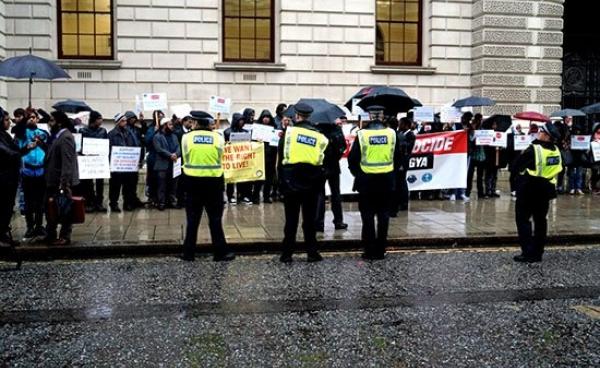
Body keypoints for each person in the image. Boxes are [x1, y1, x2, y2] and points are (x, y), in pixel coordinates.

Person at [278, 103, 329, 263]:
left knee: (291, 219)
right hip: (311, 182)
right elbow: (323, 161)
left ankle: (287, 254)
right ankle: (312, 253)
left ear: (297, 116)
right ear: (309, 117)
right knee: (309, 220)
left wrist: (280, 183)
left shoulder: (289, 133)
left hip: (291, 180)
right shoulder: (320, 136)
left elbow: (281, 158)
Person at [348, 106, 401, 260]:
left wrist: (358, 174)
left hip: (366, 182)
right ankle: (380, 250)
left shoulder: (362, 134)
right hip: (386, 181)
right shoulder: (391, 134)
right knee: (384, 216)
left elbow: (353, 159)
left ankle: (369, 250)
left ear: (370, 117)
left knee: (368, 217)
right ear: (382, 116)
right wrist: (391, 173)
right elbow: (398, 157)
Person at [181, 111, 234, 262]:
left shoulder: (186, 138)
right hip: (213, 183)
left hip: (192, 183)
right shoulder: (218, 138)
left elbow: (186, 156)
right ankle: (220, 253)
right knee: (215, 220)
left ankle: (188, 253)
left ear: (196, 123)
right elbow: (220, 156)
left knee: (192, 220)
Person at [513, 122, 562, 263]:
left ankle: (527, 252)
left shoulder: (533, 149)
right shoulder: (556, 150)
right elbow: (560, 168)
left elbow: (516, 166)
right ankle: (538, 252)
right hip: (546, 191)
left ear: (546, 136)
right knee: (541, 222)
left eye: (541, 131)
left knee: (523, 220)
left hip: (529, 190)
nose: (538, 132)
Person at [44, 111, 80, 246]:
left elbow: (67, 162)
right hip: (52, 180)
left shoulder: (65, 137)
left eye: (52, 121)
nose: (49, 123)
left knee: (65, 209)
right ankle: (50, 234)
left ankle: (65, 236)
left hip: (61, 182)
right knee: (50, 208)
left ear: (59, 122)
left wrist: (64, 183)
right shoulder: (57, 136)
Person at [14, 109, 49, 238]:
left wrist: (41, 143)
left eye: (34, 117)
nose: (32, 119)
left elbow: (48, 148)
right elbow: (18, 147)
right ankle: (30, 226)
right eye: (29, 117)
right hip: (27, 170)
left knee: (40, 202)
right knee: (28, 202)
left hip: (40, 170)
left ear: (38, 119)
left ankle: (39, 225)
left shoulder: (43, 133)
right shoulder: (21, 132)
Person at [315, 115, 348, 231]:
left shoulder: (317, 130)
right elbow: (343, 147)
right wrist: (336, 157)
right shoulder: (337, 130)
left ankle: (319, 223)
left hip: (320, 165)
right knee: (336, 194)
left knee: (320, 194)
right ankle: (338, 221)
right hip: (334, 165)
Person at [0, 107, 22, 247]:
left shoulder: (4, 135)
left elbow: (16, 151)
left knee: (7, 208)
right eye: (6, 120)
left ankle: (3, 234)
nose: (9, 123)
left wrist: (27, 148)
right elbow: (9, 153)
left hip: (10, 178)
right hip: (3, 179)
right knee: (3, 207)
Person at [108, 113, 138, 212]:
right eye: (123, 121)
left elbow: (135, 145)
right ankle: (113, 204)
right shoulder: (111, 134)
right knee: (115, 186)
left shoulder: (129, 133)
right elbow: (108, 149)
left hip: (128, 165)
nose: (125, 122)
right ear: (118, 122)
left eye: (125, 120)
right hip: (117, 165)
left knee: (128, 186)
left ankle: (127, 203)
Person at [79, 110, 108, 213]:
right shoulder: (83, 131)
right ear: (94, 120)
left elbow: (106, 144)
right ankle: (89, 202)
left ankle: (99, 203)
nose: (101, 120)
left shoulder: (103, 131)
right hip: (88, 160)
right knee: (87, 183)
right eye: (99, 118)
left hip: (99, 160)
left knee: (100, 183)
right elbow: (80, 146)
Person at [153, 117, 181, 210]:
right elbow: (159, 149)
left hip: (174, 164)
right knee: (162, 185)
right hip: (162, 165)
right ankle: (161, 202)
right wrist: (170, 155)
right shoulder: (157, 136)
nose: (172, 126)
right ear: (164, 125)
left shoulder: (174, 136)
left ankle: (172, 201)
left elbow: (178, 147)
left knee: (173, 184)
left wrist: (176, 154)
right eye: (170, 124)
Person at [223, 113, 251, 204]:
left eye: (243, 120)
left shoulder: (246, 132)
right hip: (232, 159)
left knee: (242, 177)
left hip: (242, 158)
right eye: (240, 120)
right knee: (231, 178)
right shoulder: (227, 132)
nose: (242, 122)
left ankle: (241, 195)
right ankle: (230, 195)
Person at [391, 117, 415, 215]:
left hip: (404, 161)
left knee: (402, 182)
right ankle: (400, 201)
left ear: (406, 125)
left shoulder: (410, 135)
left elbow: (408, 147)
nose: (399, 126)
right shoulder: (400, 134)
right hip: (399, 160)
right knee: (399, 182)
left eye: (401, 124)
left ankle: (404, 203)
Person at [252, 109, 278, 204]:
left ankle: (266, 196)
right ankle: (256, 197)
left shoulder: (274, 128)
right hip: (260, 156)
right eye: (264, 117)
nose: (266, 119)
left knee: (269, 179)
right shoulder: (257, 129)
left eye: (267, 117)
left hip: (271, 157)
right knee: (258, 178)